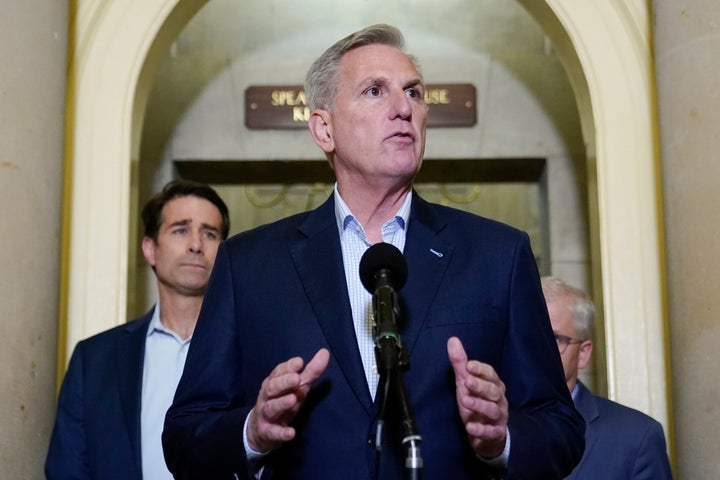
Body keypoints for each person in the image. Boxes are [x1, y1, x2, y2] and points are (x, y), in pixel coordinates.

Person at [163, 24, 584, 479]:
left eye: (414, 93)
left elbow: (560, 427)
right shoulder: (247, 266)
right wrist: (253, 432)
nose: (403, 108)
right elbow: (187, 436)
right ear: (324, 129)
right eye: (374, 91)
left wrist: (500, 438)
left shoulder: (498, 255)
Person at [45, 179, 230, 480]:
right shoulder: (94, 361)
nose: (196, 244)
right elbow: (67, 469)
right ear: (150, 249)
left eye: (209, 233)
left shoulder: (249, 350)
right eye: (180, 230)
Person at [541, 275, 673, 479]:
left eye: (557, 339)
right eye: (529, 336)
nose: (539, 349)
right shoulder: (488, 425)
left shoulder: (636, 437)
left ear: (583, 354)